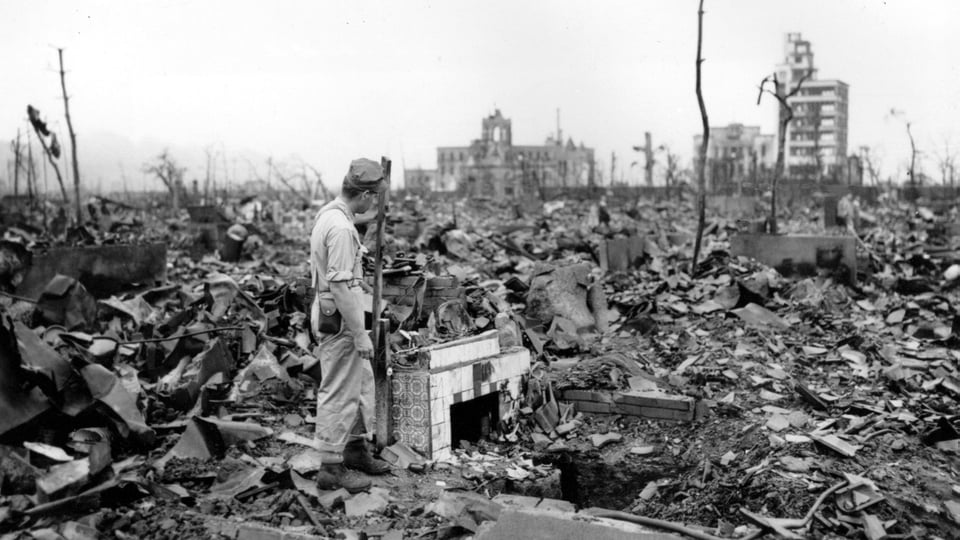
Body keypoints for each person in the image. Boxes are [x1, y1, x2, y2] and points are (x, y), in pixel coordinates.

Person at [307, 158, 390, 492]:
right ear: (367, 195)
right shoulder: (341, 229)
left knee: (361, 384)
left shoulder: (332, 213)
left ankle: (355, 448)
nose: (374, 203)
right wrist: (359, 335)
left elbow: (356, 220)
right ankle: (330, 468)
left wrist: (375, 218)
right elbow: (341, 286)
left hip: (341, 313)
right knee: (340, 389)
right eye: (374, 197)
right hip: (341, 318)